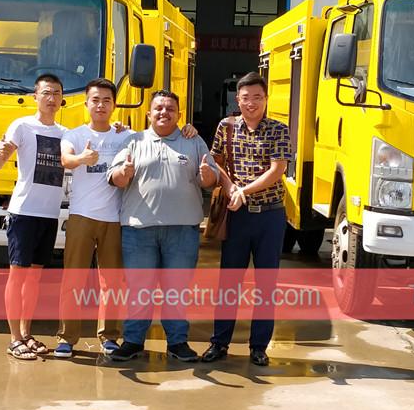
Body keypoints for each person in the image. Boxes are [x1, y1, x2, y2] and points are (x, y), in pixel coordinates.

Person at [106, 90, 219, 362]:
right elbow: (115, 178)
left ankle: (177, 342)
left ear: (179, 114)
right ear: (149, 114)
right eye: (158, 108)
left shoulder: (193, 141)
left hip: (182, 232)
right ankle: (133, 341)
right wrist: (124, 173)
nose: (163, 112)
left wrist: (207, 176)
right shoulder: (134, 141)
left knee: (177, 290)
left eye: (170, 108)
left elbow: (211, 178)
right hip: (139, 231)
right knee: (139, 290)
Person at [201, 72, 291, 367]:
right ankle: (219, 342)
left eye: (257, 97)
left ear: (266, 99)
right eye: (245, 97)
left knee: (266, 284)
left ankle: (258, 346)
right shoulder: (225, 127)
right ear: (236, 99)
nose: (251, 103)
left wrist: (244, 191)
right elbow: (215, 162)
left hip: (270, 216)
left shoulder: (279, 129)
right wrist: (229, 189)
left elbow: (277, 170)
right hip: (237, 217)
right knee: (229, 282)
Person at [0, 73, 67, 361]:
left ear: (62, 99)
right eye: (46, 93)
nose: (51, 98)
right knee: (18, 276)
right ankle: (13, 339)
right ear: (35, 96)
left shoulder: (64, 133)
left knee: (35, 279)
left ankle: (26, 333)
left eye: (56, 93)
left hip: (49, 215)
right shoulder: (22, 126)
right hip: (24, 212)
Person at [55, 78, 130, 359]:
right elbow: (65, 160)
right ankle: (66, 338)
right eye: (95, 100)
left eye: (106, 101)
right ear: (86, 103)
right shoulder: (73, 135)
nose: (100, 105)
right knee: (73, 280)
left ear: (114, 105)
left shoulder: (125, 136)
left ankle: (109, 337)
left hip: (114, 219)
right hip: (81, 217)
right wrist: (82, 159)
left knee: (112, 283)